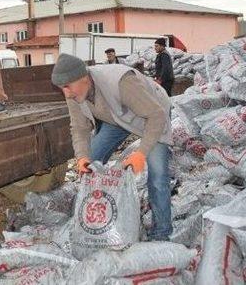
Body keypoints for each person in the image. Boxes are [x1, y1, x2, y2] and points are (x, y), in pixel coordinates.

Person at [51, 53, 173, 240]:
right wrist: (82, 156)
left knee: (157, 177)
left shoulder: (121, 83)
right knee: (91, 161)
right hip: (116, 118)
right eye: (62, 88)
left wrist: (141, 153)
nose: (66, 93)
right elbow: (79, 127)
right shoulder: (73, 94)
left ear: (84, 78)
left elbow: (156, 115)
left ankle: (162, 233)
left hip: (151, 115)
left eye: (67, 87)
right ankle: (98, 219)